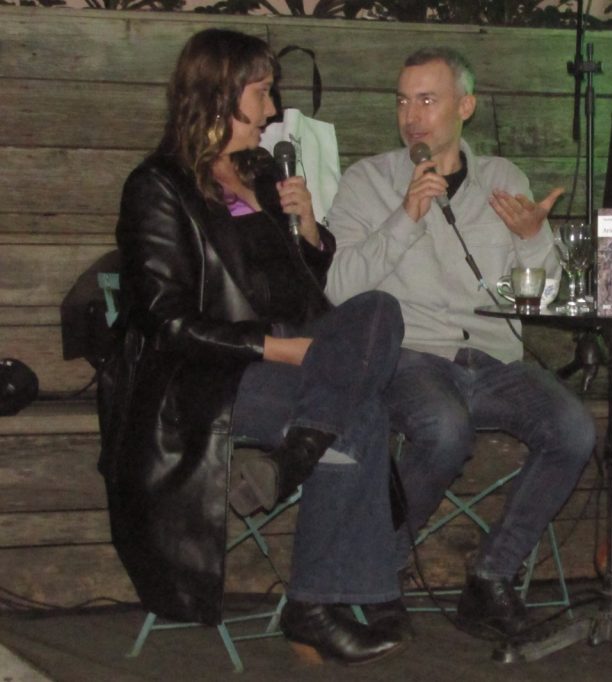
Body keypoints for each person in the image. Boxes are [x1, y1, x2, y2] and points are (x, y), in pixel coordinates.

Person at [97, 28, 408, 665]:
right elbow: (166, 323)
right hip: (210, 377)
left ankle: (295, 454)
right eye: (263, 93)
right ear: (217, 95)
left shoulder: (261, 172)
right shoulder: (157, 188)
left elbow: (304, 284)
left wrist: (307, 227)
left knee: (380, 309)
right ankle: (321, 602)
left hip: (298, 356)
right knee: (362, 415)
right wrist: (276, 349)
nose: (272, 110)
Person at [323, 47, 596, 639]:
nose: (412, 115)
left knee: (574, 429)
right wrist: (404, 217)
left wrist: (531, 239)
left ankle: (492, 576)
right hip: (412, 355)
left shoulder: (503, 180)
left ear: (465, 106)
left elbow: (544, 292)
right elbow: (339, 289)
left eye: (428, 99)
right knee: (445, 429)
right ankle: (379, 571)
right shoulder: (367, 182)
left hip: (496, 358)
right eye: (403, 100)